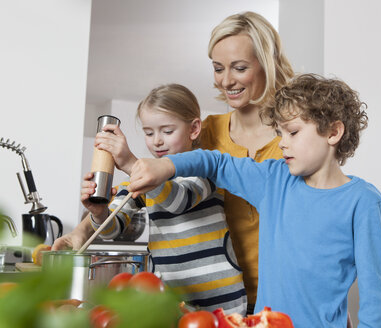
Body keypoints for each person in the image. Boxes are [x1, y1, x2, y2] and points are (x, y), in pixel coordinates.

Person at [127, 74, 381, 327]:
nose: (283, 143)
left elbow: (375, 297)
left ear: (333, 132)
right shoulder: (273, 179)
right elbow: (216, 163)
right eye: (280, 133)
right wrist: (167, 166)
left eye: (293, 132)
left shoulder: (365, 202)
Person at [54, 84, 247, 314]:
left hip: (222, 299)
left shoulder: (207, 166)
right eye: (148, 132)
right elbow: (111, 229)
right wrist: (99, 212)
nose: (157, 141)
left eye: (167, 131)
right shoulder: (142, 177)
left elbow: (179, 201)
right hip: (173, 302)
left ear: (194, 129)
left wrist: (129, 163)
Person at [201, 11, 294, 312]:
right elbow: (155, 186)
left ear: (267, 63)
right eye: (218, 68)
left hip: (287, 298)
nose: (226, 81)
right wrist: (88, 224)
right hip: (220, 301)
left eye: (239, 68)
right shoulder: (206, 132)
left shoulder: (297, 135)